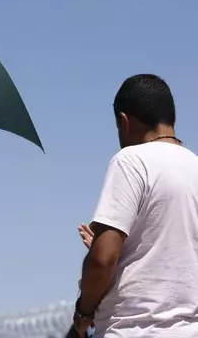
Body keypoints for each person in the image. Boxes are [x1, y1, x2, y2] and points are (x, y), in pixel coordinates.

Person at [73, 74, 198, 338]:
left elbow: (103, 260)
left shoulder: (130, 161)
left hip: (133, 329)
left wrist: (83, 314)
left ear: (124, 121)